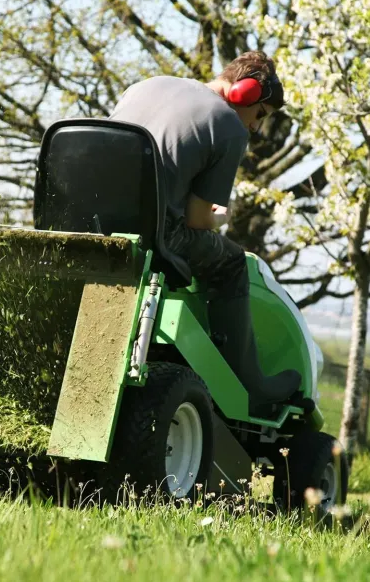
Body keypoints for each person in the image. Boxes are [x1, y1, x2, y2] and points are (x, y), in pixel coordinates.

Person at [109, 51, 300, 413]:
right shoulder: (226, 123)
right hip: (153, 236)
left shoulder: (146, 86)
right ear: (244, 92)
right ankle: (251, 387)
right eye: (260, 114)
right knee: (230, 261)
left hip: (91, 223)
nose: (257, 127)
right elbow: (198, 220)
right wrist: (220, 220)